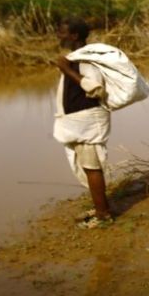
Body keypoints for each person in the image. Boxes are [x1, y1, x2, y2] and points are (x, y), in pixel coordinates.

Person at [53, 17, 113, 228]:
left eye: (61, 32)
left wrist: (66, 69)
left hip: (88, 121)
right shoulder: (76, 57)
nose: (58, 36)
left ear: (74, 36)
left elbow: (96, 88)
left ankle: (103, 215)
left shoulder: (86, 59)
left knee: (92, 166)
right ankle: (99, 208)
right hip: (80, 121)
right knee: (88, 167)